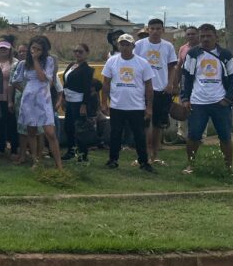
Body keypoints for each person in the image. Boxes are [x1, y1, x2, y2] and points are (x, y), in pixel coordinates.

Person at [180, 23, 233, 175]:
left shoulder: (225, 55)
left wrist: (228, 99)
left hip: (220, 103)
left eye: (209, 36)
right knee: (194, 136)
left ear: (216, 37)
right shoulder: (193, 54)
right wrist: (185, 98)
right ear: (199, 37)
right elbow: (186, 77)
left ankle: (229, 168)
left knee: (225, 136)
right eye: (203, 36)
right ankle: (190, 165)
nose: (205, 39)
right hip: (198, 103)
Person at [101, 33, 155, 172]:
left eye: (127, 45)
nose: (125, 47)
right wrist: (104, 103)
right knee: (115, 134)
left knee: (139, 135)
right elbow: (106, 83)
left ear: (133, 46)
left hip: (136, 106)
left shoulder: (142, 63)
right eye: (122, 44)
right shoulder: (112, 61)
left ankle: (144, 161)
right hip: (117, 105)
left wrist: (149, 107)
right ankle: (113, 160)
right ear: (118, 45)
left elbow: (149, 86)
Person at [13, 36, 63, 170]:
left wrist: (35, 60)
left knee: (50, 132)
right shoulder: (23, 63)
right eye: (33, 48)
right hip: (29, 97)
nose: (34, 51)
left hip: (44, 98)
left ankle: (59, 165)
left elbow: (43, 78)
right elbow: (15, 80)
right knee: (31, 131)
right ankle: (36, 160)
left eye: (38, 49)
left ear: (44, 50)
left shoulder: (49, 61)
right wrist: (25, 91)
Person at [134, 18, 177, 166]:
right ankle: (143, 154)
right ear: (148, 29)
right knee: (144, 124)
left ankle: (155, 154)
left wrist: (170, 83)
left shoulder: (168, 46)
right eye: (152, 28)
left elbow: (172, 67)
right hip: (143, 90)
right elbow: (133, 64)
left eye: (158, 28)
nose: (155, 31)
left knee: (158, 124)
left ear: (163, 30)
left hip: (161, 89)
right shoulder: (139, 45)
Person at [58, 43, 95, 162]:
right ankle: (71, 150)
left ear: (87, 53)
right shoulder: (71, 65)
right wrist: (63, 98)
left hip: (79, 102)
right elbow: (66, 83)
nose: (77, 54)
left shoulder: (87, 70)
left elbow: (87, 88)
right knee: (69, 127)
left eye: (80, 52)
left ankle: (83, 156)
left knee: (80, 130)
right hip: (69, 101)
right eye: (75, 51)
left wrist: (84, 105)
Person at [172, 25, 200, 143]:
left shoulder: (203, 48)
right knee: (183, 108)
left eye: (193, 34)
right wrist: (175, 84)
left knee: (198, 110)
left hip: (199, 84)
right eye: (188, 34)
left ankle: (199, 136)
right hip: (185, 83)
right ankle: (182, 136)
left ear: (198, 35)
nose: (190, 36)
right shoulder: (183, 49)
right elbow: (178, 67)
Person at [0, 38, 16, 158]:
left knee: (11, 123)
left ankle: (14, 149)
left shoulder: (15, 62)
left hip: (9, 97)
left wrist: (10, 101)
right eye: (1, 48)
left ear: (10, 50)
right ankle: (0, 148)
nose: (3, 50)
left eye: (5, 49)